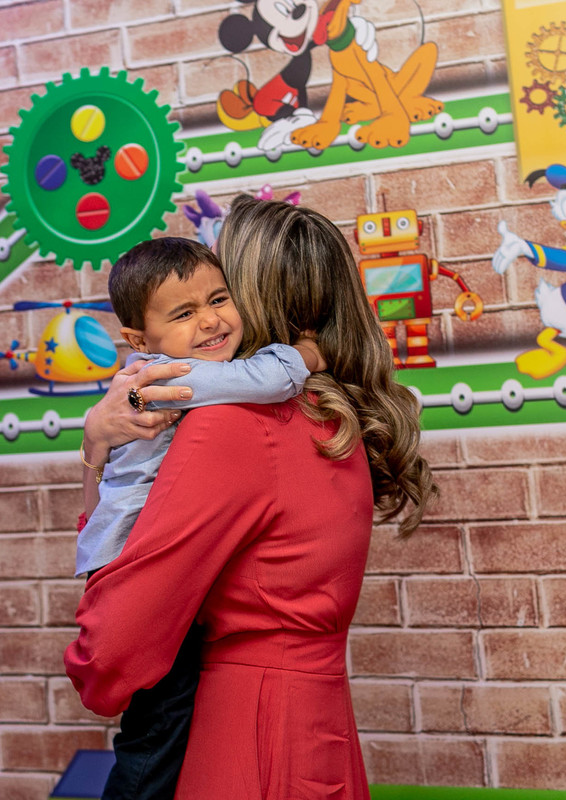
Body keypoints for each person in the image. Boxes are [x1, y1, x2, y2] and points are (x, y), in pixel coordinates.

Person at [66, 195, 438, 799]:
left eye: (221, 292)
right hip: (318, 729)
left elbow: (113, 651)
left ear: (250, 293)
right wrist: (98, 443)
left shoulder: (232, 425)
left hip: (248, 736)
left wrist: (91, 663)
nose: (211, 318)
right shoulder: (327, 413)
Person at [77, 236, 326, 800]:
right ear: (139, 339)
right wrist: (309, 353)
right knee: (160, 725)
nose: (211, 321)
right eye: (183, 313)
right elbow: (268, 380)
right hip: (136, 565)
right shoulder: (167, 377)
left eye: (218, 299)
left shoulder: (147, 382)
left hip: (140, 556)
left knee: (173, 718)